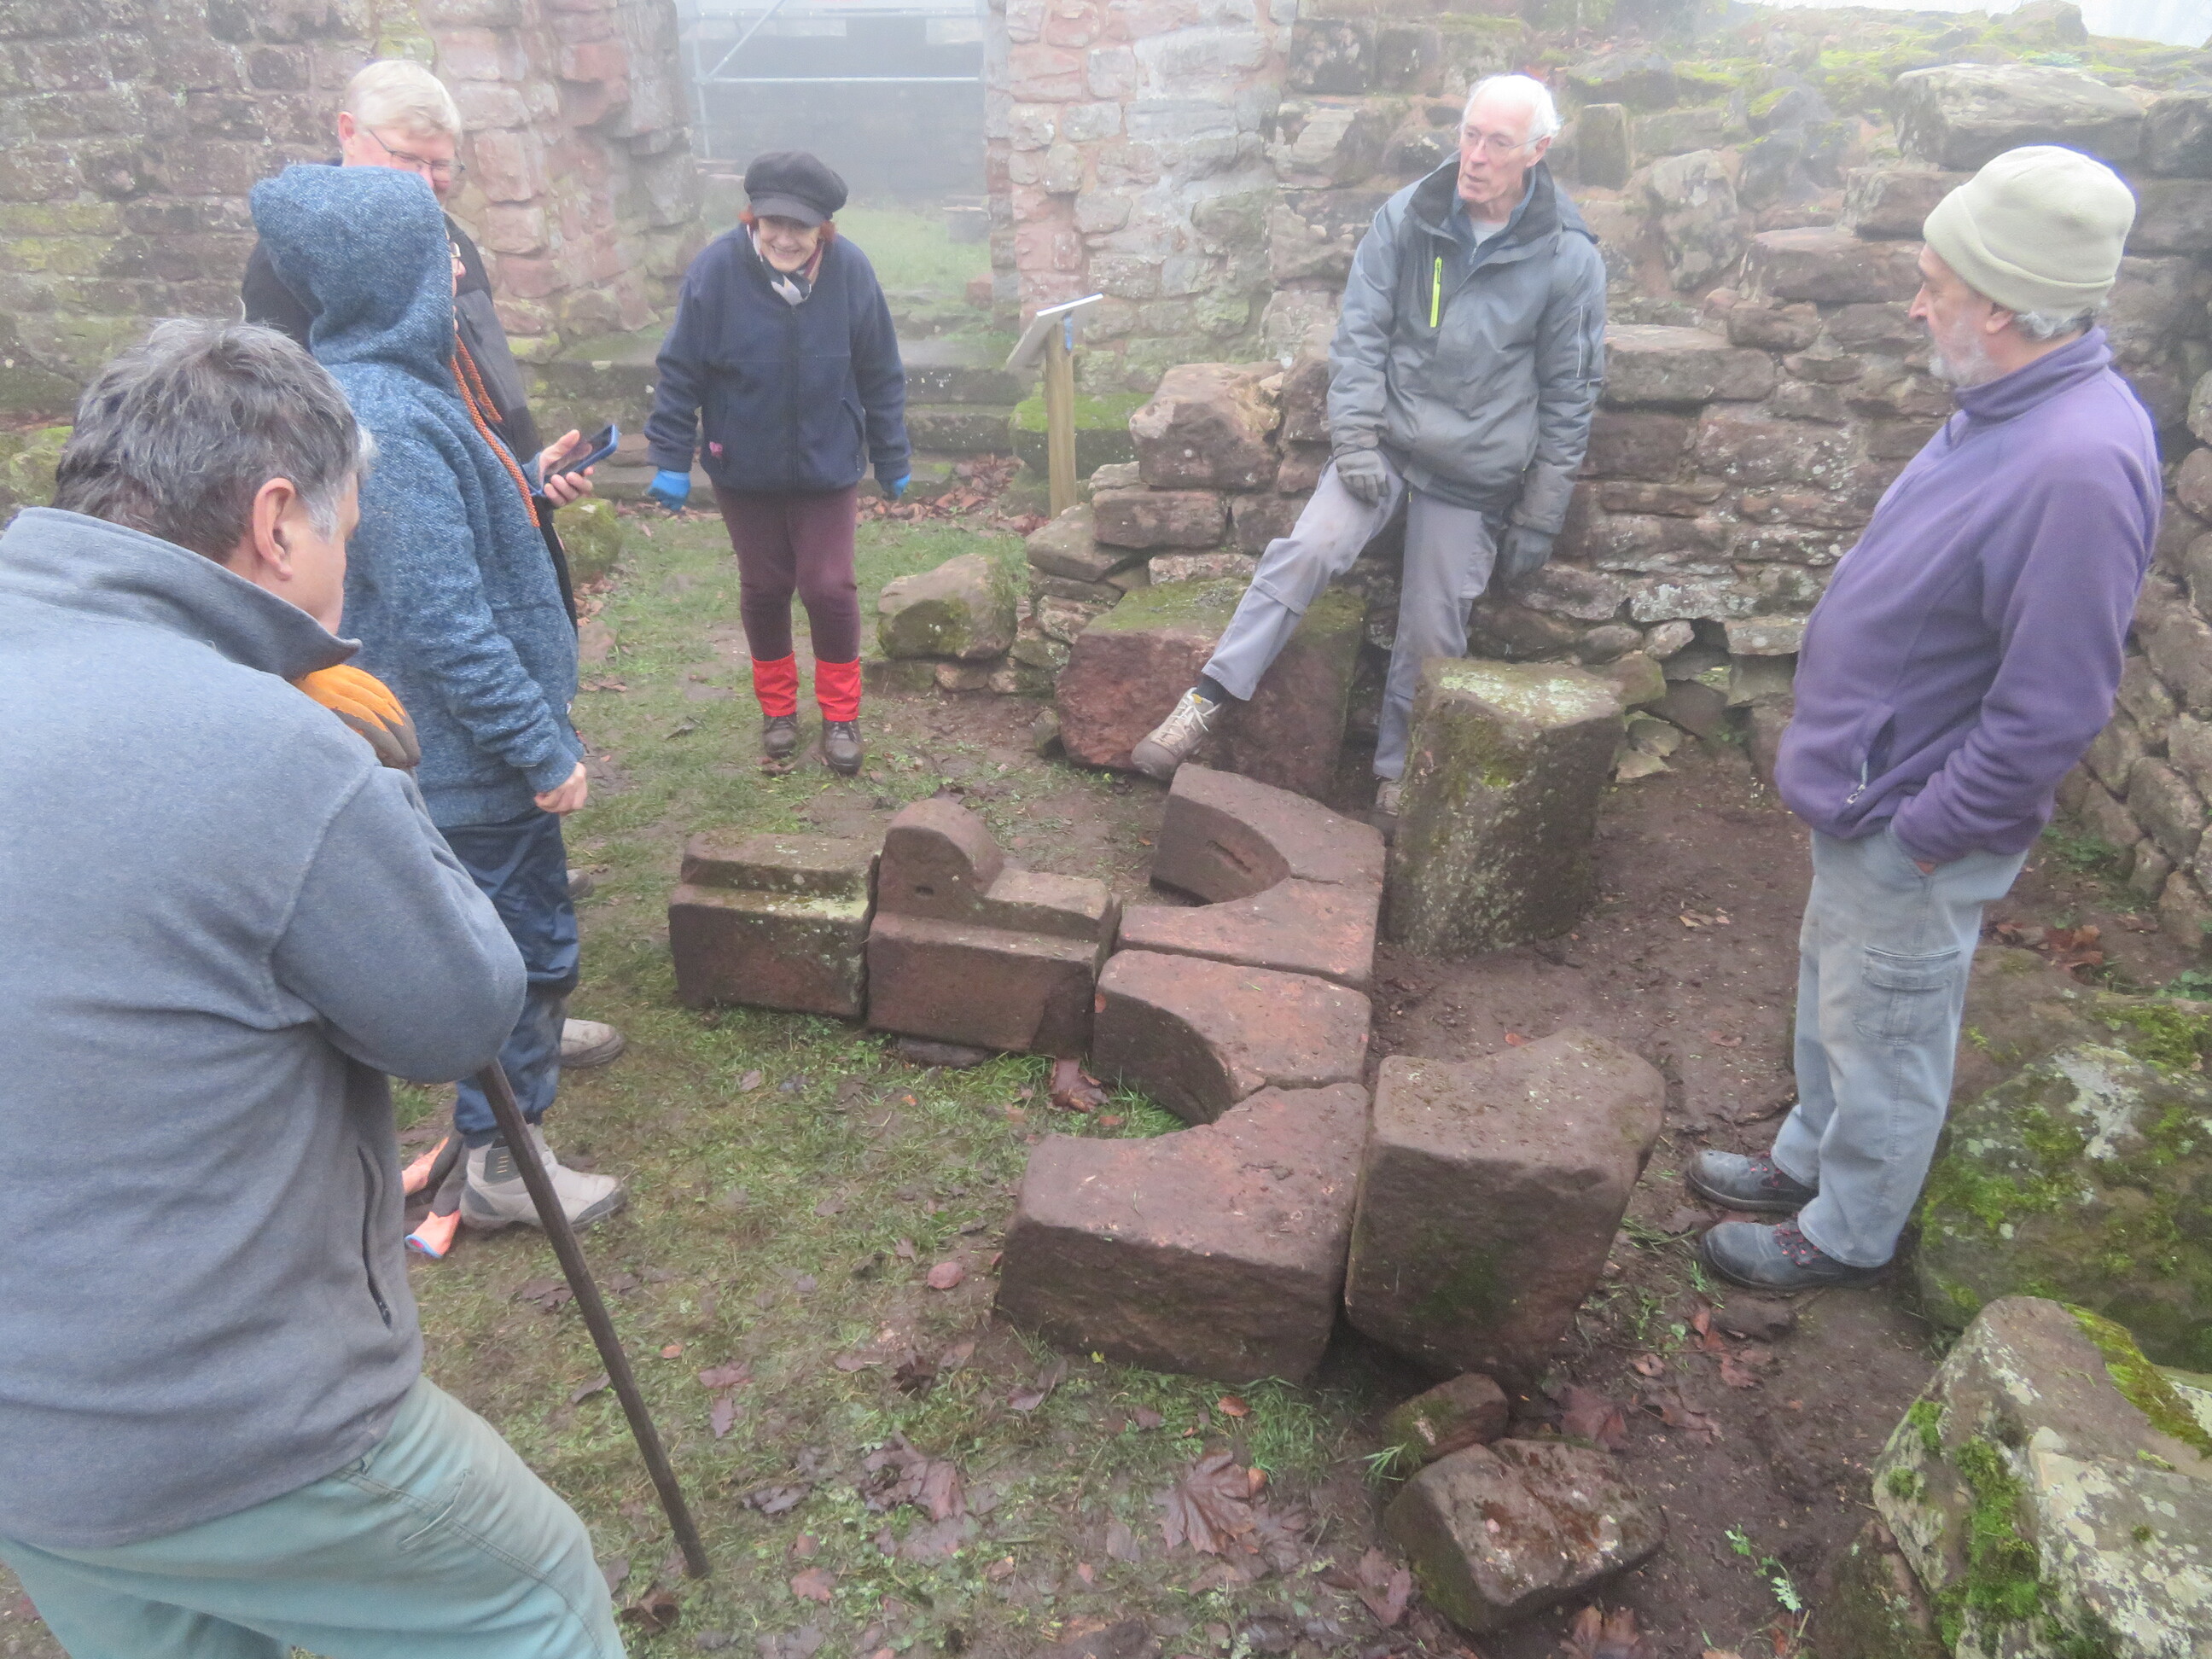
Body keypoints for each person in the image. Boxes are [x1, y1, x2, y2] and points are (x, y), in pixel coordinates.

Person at [0, 318, 623, 1656]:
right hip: (221, 1419)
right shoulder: (274, 746)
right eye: (347, 532)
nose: (347, 565)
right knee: (530, 1598)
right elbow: (459, 1015)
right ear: (277, 522)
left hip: (29, 1449)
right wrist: (378, 782)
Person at [1696, 147, 2158, 1292]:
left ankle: (1848, 1229)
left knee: (1890, 1027)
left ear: (2000, 304)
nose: (1916, 305)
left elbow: (2054, 706)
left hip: (1914, 814)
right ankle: (1808, 1156)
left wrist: (1928, 833)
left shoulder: (2077, 462)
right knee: (1839, 989)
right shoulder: (2006, 404)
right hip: (1874, 790)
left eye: (1934, 285)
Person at [253, 160, 626, 1232]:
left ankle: (515, 1065)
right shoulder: (394, 418)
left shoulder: (398, 391)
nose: (459, 266)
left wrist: (523, 484)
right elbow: (444, 623)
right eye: (440, 249)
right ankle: (506, 1160)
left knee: (508, 938)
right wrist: (540, 748)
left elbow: (443, 548)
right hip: (475, 761)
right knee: (518, 951)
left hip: (465, 752)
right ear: (395, 270)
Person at [1129, 74, 1606, 826]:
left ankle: (1395, 772)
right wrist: (1353, 439)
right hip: (1383, 445)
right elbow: (1360, 336)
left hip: (1474, 469)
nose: (1476, 155)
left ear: (1537, 151)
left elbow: (1571, 390)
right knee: (1310, 548)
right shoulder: (1410, 216)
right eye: (1470, 134)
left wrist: (1541, 515)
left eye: (1498, 143)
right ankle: (1206, 700)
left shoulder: (1567, 257)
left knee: (1434, 625)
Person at [642, 148, 911, 776]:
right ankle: (779, 710)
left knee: (829, 586)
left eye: (800, 226)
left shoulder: (850, 272)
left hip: (827, 457)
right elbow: (680, 369)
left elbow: (880, 369)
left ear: (824, 228)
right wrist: (670, 454)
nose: (785, 238)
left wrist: (892, 452)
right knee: (764, 587)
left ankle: (841, 716)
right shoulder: (716, 270)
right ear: (752, 219)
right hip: (743, 460)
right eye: (772, 223)